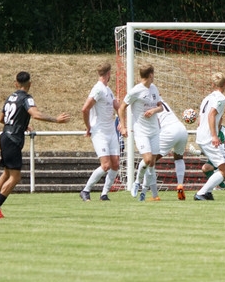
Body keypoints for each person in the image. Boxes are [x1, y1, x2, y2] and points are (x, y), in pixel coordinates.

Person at [0, 71, 71, 218]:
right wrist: (56, 120)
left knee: (6, 173)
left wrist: (21, 124)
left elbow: (2, 119)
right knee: (15, 177)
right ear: (30, 84)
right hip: (13, 139)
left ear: (16, 84)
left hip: (4, 137)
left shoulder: (10, 98)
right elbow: (35, 114)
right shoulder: (26, 98)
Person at [118, 64, 163, 202]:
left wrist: (153, 110)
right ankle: (136, 182)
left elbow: (160, 107)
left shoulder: (154, 88)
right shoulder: (135, 91)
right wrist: (123, 127)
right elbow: (121, 108)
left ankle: (143, 189)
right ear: (151, 75)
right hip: (141, 131)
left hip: (154, 130)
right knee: (148, 159)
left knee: (152, 163)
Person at [79, 63, 119, 202]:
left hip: (111, 132)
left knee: (115, 164)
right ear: (108, 73)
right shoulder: (98, 89)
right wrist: (88, 127)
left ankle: (104, 194)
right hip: (100, 132)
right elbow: (85, 109)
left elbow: (117, 106)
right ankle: (85, 190)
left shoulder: (108, 90)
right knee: (106, 165)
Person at [136, 99, 189, 200]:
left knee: (150, 162)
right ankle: (180, 184)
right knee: (178, 158)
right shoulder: (161, 101)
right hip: (181, 129)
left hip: (169, 131)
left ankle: (153, 195)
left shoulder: (148, 104)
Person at [193, 73, 225, 201]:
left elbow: (201, 120)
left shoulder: (207, 98)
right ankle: (201, 193)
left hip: (201, 135)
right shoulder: (221, 98)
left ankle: (207, 192)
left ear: (213, 84)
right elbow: (211, 115)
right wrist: (214, 135)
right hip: (209, 137)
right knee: (224, 170)